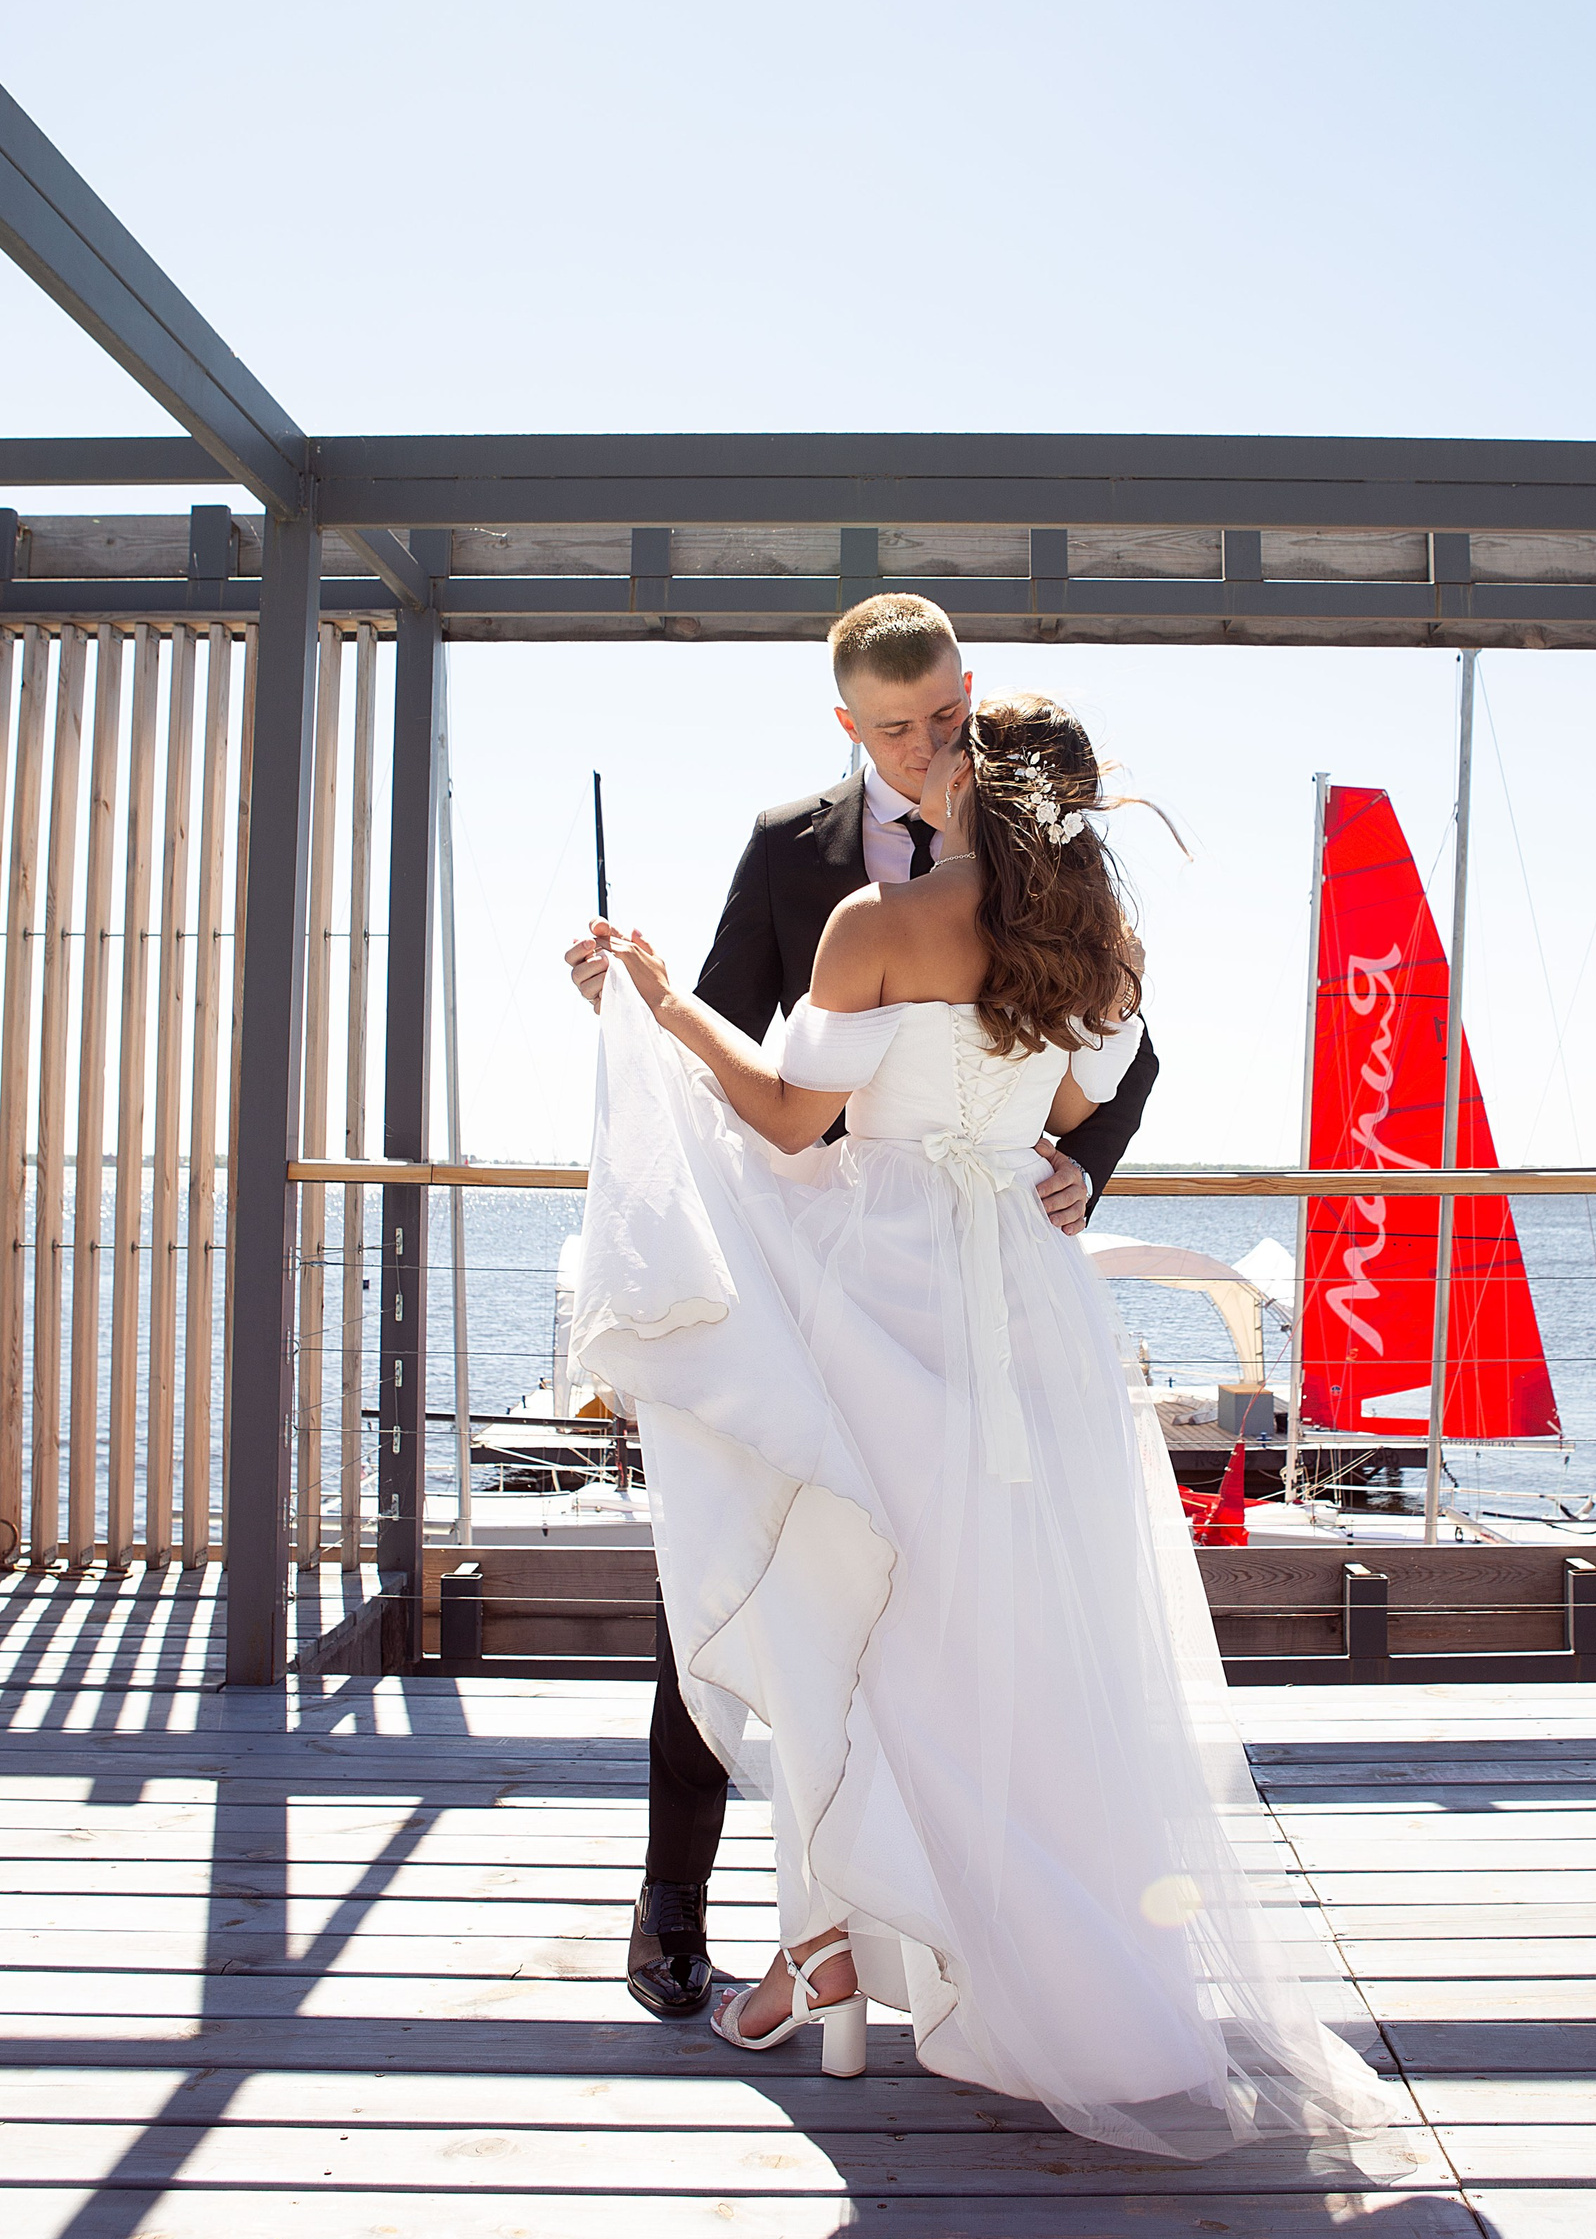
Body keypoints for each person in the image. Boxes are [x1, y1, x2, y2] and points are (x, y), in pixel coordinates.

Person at [565, 688, 1387, 2157]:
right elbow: (1078, 1101)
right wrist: (1047, 1158)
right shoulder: (1103, 940)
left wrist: (658, 998)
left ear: (963, 783)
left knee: (843, 1622)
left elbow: (785, 1117)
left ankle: (828, 1957)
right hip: (1027, 1297)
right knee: (1016, 1638)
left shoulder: (876, 922)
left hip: (882, 1293)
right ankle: (1014, 1967)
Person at [565, 595, 1159, 2024]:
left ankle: (872, 1933)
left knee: (926, 1596)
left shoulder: (1008, 895)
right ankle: (681, 1902)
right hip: (842, 1265)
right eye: (897, 729)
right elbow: (734, 1038)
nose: (927, 747)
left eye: (948, 718)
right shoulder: (794, 851)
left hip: (942, 1264)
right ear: (849, 726)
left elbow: (1121, 1075)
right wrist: (633, 1008)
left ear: (975, 699)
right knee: (763, 1547)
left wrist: (1078, 1167)